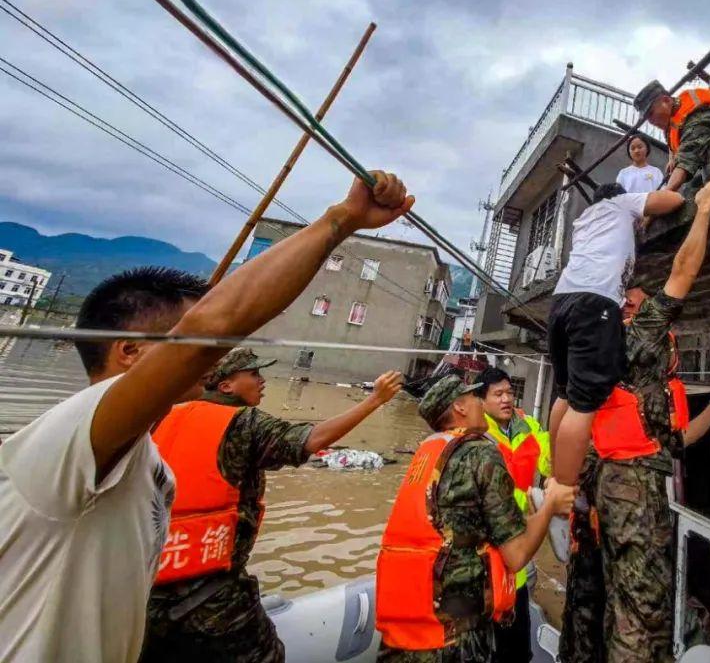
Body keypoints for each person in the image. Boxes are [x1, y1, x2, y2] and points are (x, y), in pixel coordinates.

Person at [0, 170, 414, 663]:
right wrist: (341, 221)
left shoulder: (139, 456)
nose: (213, 358)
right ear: (130, 353)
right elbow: (217, 321)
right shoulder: (67, 445)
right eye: (195, 348)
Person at [141, 349, 405, 663]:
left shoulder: (163, 417)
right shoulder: (242, 422)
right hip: (214, 601)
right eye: (253, 374)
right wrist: (375, 400)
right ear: (226, 386)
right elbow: (311, 440)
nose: (262, 381)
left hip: (143, 596)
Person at [588, 177, 710, 663]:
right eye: (630, 304)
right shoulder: (636, 339)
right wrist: (706, 211)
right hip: (634, 490)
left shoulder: (609, 350)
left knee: (623, 602)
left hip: (619, 483)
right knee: (643, 617)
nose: (633, 308)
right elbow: (684, 270)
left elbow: (678, 438)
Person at [375, 375, 575, 663]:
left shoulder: (429, 452)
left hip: (407, 629)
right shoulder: (479, 451)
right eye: (475, 397)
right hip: (452, 637)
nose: (482, 401)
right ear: (460, 407)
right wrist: (551, 504)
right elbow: (516, 555)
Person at [546, 183, 683, 502]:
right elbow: (674, 200)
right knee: (585, 405)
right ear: (617, 196)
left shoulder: (584, 220)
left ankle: (553, 475)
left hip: (560, 303)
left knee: (564, 394)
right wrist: (641, 212)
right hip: (594, 303)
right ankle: (562, 492)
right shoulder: (621, 203)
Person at [477, 367, 551, 662]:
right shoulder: (474, 432)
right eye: (498, 394)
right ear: (481, 400)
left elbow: (550, 460)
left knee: (517, 649)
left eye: (510, 392)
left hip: (515, 552)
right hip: (481, 555)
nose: (507, 399)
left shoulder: (528, 426)